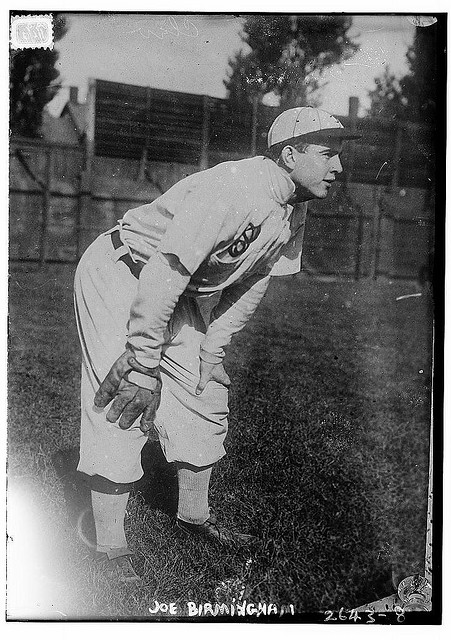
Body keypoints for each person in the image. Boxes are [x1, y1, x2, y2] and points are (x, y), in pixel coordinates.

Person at [73, 106, 359, 581]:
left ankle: (194, 520)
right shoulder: (232, 188)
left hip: (174, 288)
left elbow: (254, 281)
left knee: (204, 393)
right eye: (328, 154)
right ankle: (109, 547)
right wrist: (144, 363)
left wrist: (213, 349)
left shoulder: (293, 207)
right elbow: (167, 268)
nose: (339, 168)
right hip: (124, 271)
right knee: (124, 396)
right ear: (289, 155)